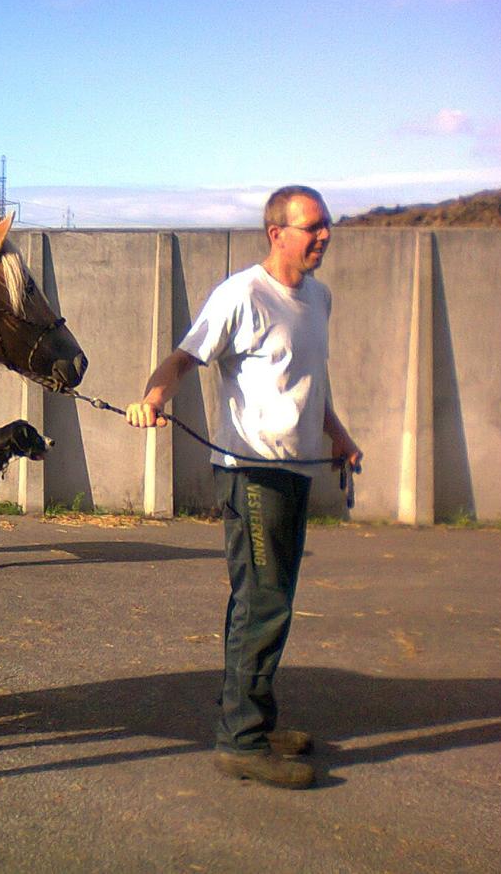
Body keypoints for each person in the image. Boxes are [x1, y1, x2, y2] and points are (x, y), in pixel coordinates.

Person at [126, 186, 362, 789]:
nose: (324, 235)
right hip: (250, 470)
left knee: (266, 600)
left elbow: (312, 379)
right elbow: (185, 356)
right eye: (312, 227)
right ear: (276, 232)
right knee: (262, 604)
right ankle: (242, 741)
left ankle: (250, 720)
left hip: (297, 468)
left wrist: (336, 433)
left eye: (326, 225)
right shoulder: (241, 294)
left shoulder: (320, 299)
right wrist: (154, 396)